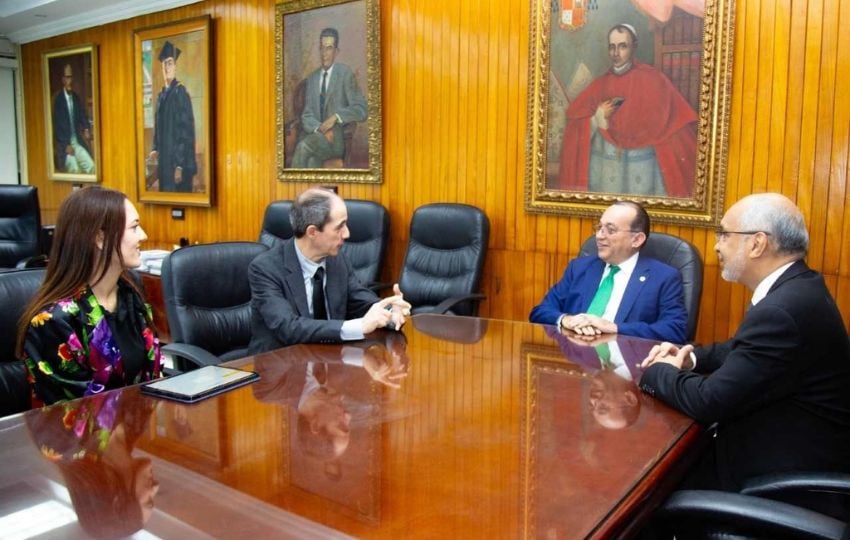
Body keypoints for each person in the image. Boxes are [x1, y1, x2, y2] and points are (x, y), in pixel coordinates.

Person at [640, 193, 850, 491]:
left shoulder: (782, 310)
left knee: (651, 489)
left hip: (777, 478)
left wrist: (657, 372)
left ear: (757, 243)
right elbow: (743, 348)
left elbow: (708, 401)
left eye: (724, 234)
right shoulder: (797, 288)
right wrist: (692, 358)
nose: (716, 245)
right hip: (778, 446)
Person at [17, 186, 162, 406]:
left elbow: (149, 378)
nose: (144, 235)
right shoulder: (52, 322)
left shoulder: (129, 295)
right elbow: (73, 416)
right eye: (134, 227)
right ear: (100, 238)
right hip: (82, 439)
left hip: (137, 428)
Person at [248, 188, 410, 353]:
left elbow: (360, 300)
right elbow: (288, 327)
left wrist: (390, 312)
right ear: (312, 232)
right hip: (281, 366)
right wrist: (359, 326)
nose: (347, 234)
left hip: (330, 362)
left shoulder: (336, 260)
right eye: (340, 227)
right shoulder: (266, 268)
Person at [556, 24, 698, 197]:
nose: (616, 53)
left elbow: (672, 122)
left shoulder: (654, 79)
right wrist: (596, 118)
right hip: (608, 173)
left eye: (622, 46)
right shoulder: (600, 84)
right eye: (612, 47)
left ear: (634, 47)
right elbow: (575, 121)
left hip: (644, 170)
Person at [529, 201, 687, 342]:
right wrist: (566, 319)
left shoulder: (663, 278)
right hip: (579, 362)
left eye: (610, 230)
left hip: (630, 367)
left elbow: (675, 330)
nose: (599, 236)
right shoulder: (579, 268)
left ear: (637, 239)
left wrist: (614, 328)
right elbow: (540, 312)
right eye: (599, 228)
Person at [26, 391, 158, 537]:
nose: (156, 488)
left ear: (117, 502)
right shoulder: (135, 428)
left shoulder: (60, 443)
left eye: (149, 500)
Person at [290, 27, 368, 168]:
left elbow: (361, 110)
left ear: (336, 52)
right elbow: (307, 114)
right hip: (314, 135)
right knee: (312, 162)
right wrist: (321, 129)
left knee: (303, 146)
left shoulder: (345, 74)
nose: (324, 54)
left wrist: (335, 118)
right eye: (322, 48)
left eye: (329, 48)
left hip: (334, 140)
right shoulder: (312, 78)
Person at [149, 40, 197, 192]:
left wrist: (179, 166)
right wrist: (155, 148)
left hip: (178, 165)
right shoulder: (162, 96)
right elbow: (159, 128)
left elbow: (186, 133)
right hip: (165, 163)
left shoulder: (180, 93)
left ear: (175, 66)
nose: (166, 67)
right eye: (164, 64)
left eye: (170, 63)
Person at [52, 63, 95, 175]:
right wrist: (65, 145)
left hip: (76, 142)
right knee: (75, 169)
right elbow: (56, 126)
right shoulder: (57, 99)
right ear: (62, 79)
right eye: (67, 77)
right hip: (64, 146)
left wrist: (86, 128)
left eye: (71, 77)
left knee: (92, 166)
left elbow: (82, 114)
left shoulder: (75, 97)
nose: (69, 80)